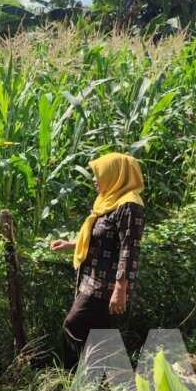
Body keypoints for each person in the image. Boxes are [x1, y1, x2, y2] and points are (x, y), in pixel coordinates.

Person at [50, 153, 145, 367]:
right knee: (99, 335)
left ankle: (75, 374)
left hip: (106, 286)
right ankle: (98, 378)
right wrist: (71, 244)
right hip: (92, 279)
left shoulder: (130, 205)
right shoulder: (109, 200)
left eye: (98, 173)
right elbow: (103, 236)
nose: (94, 179)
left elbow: (129, 249)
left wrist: (120, 289)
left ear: (116, 174)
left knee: (73, 325)